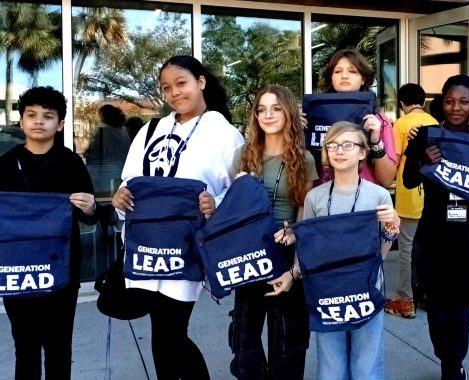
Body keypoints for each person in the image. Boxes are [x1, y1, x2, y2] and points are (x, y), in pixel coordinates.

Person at [111, 55, 245, 380]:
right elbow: (131, 180)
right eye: (166, 88)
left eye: (181, 83)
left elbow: (241, 191)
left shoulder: (226, 135)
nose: (174, 93)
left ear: (201, 82)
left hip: (186, 247)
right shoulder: (152, 129)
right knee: (163, 330)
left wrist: (216, 203)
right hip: (147, 245)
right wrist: (121, 196)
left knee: (170, 328)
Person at [270, 121, 399, 380]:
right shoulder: (315, 197)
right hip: (326, 292)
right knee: (331, 366)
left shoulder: (379, 196)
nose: (339, 151)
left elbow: (381, 253)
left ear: (362, 152)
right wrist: (292, 274)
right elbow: (308, 247)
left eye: (347, 145)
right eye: (332, 145)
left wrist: (391, 228)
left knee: (367, 366)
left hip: (366, 289)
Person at [0, 86, 98, 379]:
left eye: (48, 115)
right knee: (25, 345)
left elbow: (90, 217)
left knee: (58, 347)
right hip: (17, 267)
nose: (39, 121)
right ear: (21, 120)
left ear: (61, 123)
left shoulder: (70, 162)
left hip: (61, 269)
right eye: (31, 114)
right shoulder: (4, 164)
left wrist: (91, 207)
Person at [228, 85, 318, 379]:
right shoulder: (244, 154)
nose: (267, 115)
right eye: (261, 109)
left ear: (289, 112)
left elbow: (304, 210)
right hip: (249, 251)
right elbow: (231, 209)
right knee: (245, 342)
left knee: (287, 343)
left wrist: (295, 258)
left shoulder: (303, 158)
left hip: (284, 249)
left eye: (276, 108)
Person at [403, 75, 469, 380]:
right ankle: (446, 358)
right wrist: (423, 161)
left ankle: (453, 366)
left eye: (464, 102)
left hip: (468, 237)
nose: (456, 107)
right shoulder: (426, 136)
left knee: (462, 309)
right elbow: (409, 181)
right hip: (434, 235)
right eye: (450, 100)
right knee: (437, 309)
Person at [385, 83, 438, 319]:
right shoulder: (435, 123)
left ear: (402, 104)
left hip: (409, 194)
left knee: (406, 249)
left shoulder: (400, 124)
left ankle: (406, 300)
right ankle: (428, 294)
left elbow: (394, 160)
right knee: (429, 248)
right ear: (423, 102)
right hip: (433, 194)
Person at [315, 47, 397, 187]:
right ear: (331, 78)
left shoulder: (378, 121)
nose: (344, 76)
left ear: (363, 79)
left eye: (352, 71)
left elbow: (387, 180)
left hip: (364, 202)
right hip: (323, 200)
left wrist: (375, 141)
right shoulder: (316, 115)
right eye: (338, 71)